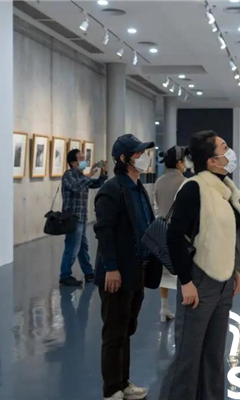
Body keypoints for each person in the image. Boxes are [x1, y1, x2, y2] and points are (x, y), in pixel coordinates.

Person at [160, 130, 240, 400]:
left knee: (214, 355)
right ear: (212, 161)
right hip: (199, 280)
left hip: (223, 281)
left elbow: (223, 235)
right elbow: (174, 237)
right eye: (224, 147)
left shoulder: (225, 190)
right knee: (188, 357)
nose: (230, 152)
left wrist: (233, 269)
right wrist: (186, 281)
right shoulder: (194, 188)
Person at [93, 134, 163, 400]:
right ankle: (111, 389)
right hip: (118, 273)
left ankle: (123, 383)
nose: (144, 158)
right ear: (124, 159)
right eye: (138, 154)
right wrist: (111, 267)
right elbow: (104, 231)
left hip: (137, 270)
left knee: (127, 329)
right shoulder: (111, 189)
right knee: (114, 332)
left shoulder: (138, 188)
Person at [59, 148, 108, 286]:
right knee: (72, 248)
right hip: (72, 219)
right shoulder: (68, 175)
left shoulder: (81, 176)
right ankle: (65, 276)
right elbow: (75, 186)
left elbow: (96, 184)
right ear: (73, 163)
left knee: (82, 247)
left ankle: (88, 273)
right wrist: (90, 174)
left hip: (81, 217)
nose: (84, 161)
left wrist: (103, 172)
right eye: (81, 158)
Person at [153, 146, 190, 322]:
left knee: (164, 272)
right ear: (180, 162)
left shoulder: (159, 182)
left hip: (161, 231)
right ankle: (183, 309)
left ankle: (164, 308)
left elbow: (156, 206)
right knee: (183, 271)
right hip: (181, 233)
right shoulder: (186, 183)